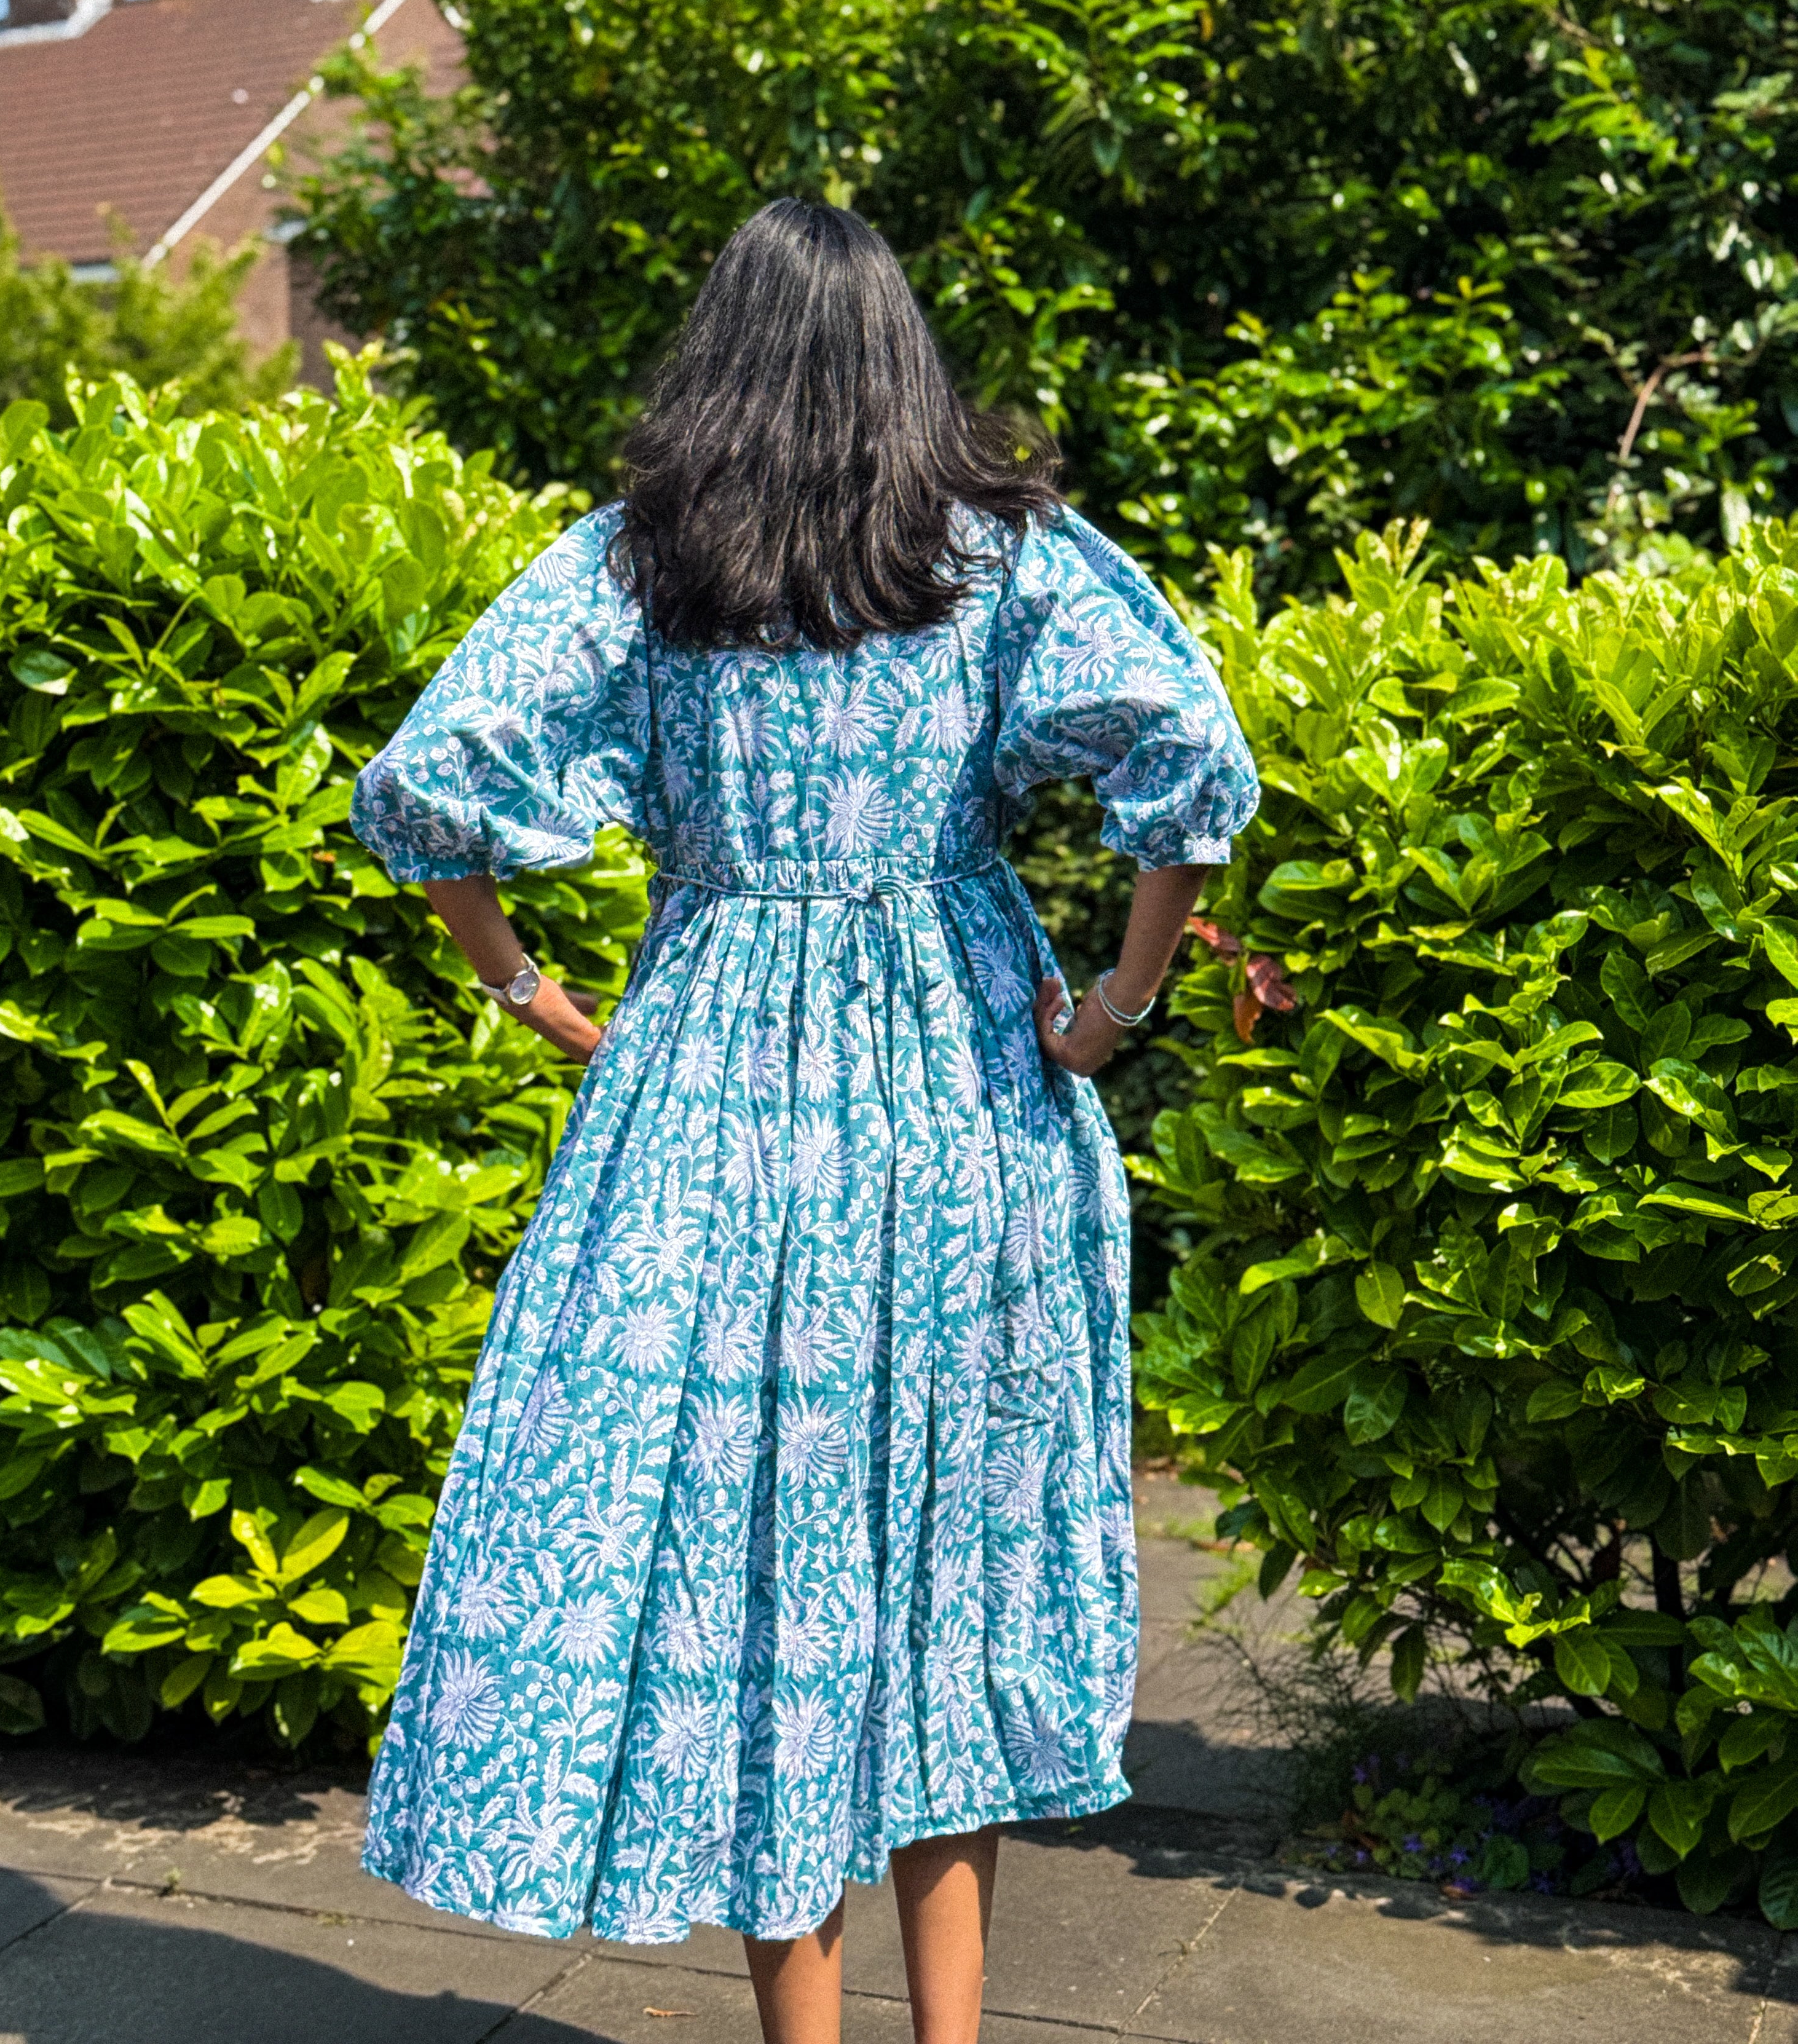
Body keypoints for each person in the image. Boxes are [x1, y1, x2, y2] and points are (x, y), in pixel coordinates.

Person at [349, 197, 1259, 2044]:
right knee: (950, 1563)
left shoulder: (641, 557)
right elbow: (1195, 768)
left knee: (761, 1576)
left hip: (712, 1091)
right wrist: (1112, 1010)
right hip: (961, 1089)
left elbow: (431, 781)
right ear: (906, 359)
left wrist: (534, 997)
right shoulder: (1004, 557)